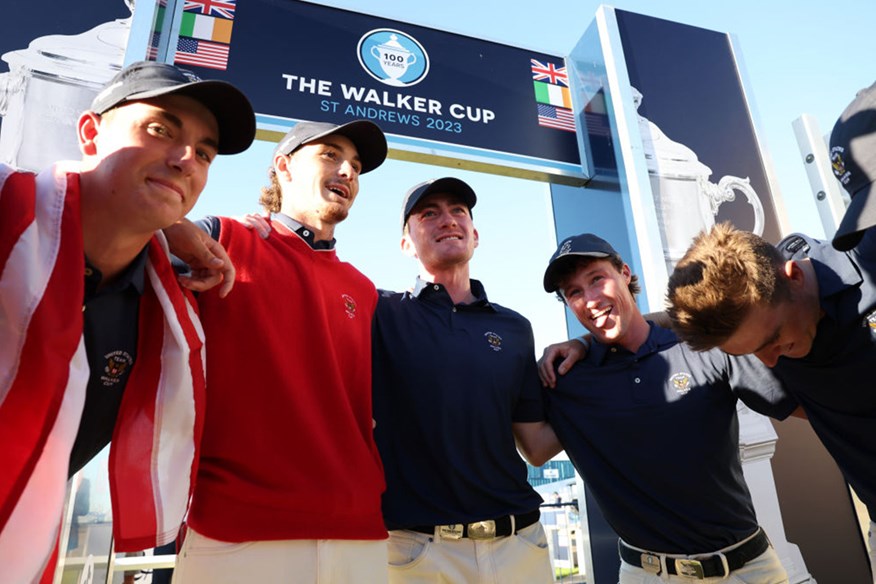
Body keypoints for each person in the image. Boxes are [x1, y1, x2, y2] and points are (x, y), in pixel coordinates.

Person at [0, 60, 255, 583]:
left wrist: (164, 220)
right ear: (91, 134)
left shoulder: (168, 309)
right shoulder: (9, 214)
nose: (187, 160)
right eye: (160, 129)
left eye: (205, 153)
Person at [165, 120, 390, 583]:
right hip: (237, 535)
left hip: (360, 536)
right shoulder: (217, 240)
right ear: (283, 167)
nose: (347, 170)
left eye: (356, 165)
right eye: (330, 154)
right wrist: (173, 226)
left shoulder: (364, 290)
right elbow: (110, 234)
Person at [535, 232, 791, 584]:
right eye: (574, 292)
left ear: (624, 273)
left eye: (597, 279)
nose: (590, 299)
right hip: (646, 575)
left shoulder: (701, 346)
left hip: (746, 569)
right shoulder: (566, 380)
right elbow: (534, 450)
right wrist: (581, 344)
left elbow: (802, 404)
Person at [370, 177, 554, 583]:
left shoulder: (515, 327)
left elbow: (537, 446)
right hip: (418, 554)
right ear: (406, 244)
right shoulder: (378, 313)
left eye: (458, 211)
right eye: (428, 213)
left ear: (475, 235)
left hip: (519, 545)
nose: (447, 220)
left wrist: (591, 363)